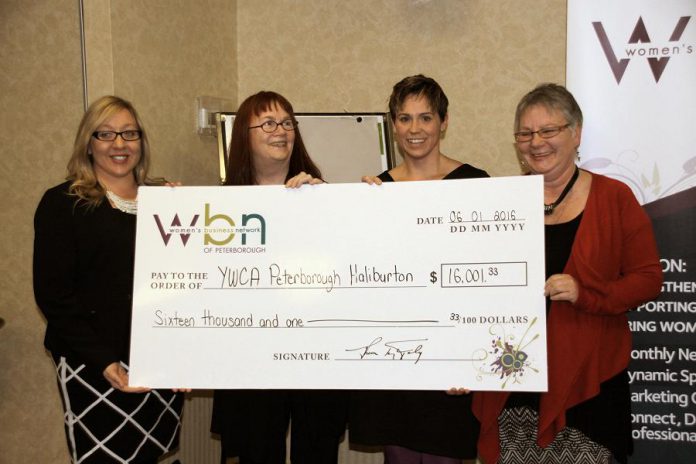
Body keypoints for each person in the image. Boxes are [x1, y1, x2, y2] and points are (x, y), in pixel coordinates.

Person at [472, 83, 663, 464]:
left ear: (576, 133)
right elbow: (474, 287)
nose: (535, 142)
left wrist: (585, 293)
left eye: (548, 131)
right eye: (525, 133)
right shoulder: (499, 201)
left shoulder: (614, 197)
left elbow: (648, 278)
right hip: (516, 384)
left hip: (588, 383)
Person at [33, 95, 184, 464]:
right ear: (89, 143)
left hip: (155, 358)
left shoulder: (165, 200)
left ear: (141, 142)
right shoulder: (62, 203)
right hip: (93, 366)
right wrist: (105, 362)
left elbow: (185, 284)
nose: (120, 144)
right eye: (107, 134)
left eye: (129, 134)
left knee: (151, 454)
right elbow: (53, 296)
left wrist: (186, 355)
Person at [350, 74, 488, 464]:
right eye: (405, 118)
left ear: (444, 122)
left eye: (425, 118)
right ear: (393, 125)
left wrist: (470, 358)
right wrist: (357, 211)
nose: (415, 129)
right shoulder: (376, 192)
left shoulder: (477, 185)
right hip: (395, 360)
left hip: (451, 362)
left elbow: (488, 284)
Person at [210, 90, 346, 464]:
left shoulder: (323, 196)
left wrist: (326, 212)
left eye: (287, 123)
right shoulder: (219, 208)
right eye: (268, 123)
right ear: (244, 135)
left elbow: (349, 276)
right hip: (249, 364)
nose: (280, 131)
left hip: (315, 360)